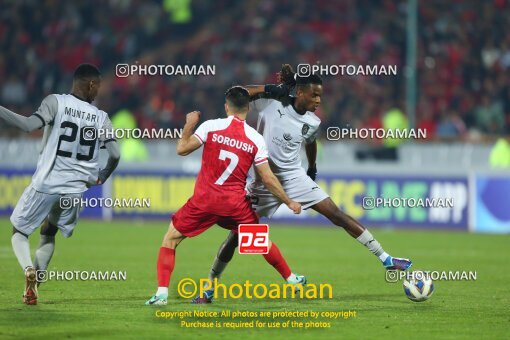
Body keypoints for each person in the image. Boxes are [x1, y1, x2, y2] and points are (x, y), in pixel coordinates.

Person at [196, 66, 412, 303]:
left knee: (335, 213)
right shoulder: (271, 103)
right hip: (263, 180)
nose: (318, 100)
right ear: (299, 92)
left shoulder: (312, 121)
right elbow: (238, 93)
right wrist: (273, 89)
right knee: (236, 236)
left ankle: (386, 258)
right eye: (314, 95)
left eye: (320, 95)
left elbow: (310, 141)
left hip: (294, 177)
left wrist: (312, 167)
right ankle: (209, 287)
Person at [145, 86, 303, 306]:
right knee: (260, 240)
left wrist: (189, 124)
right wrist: (289, 201)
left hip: (205, 201)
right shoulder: (255, 139)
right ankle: (291, 278)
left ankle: (162, 293)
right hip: (234, 205)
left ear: (226, 106)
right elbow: (267, 178)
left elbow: (181, 149)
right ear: (248, 108)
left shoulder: (211, 126)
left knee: (170, 240)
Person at [0, 63, 121, 305]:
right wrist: (103, 176)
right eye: (98, 86)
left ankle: (27, 269)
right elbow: (115, 154)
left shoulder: (55, 102)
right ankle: (33, 289)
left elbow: (26, 125)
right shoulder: (101, 117)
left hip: (47, 183)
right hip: (75, 191)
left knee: (20, 232)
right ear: (90, 84)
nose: (98, 92)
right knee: (48, 233)